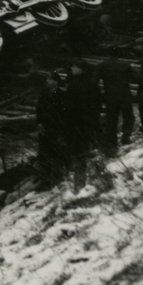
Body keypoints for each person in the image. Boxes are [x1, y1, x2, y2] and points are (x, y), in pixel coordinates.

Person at [61, 62, 102, 190]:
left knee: (78, 151)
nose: (72, 68)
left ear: (81, 70)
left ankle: (78, 184)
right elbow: (98, 102)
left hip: (76, 123)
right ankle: (86, 180)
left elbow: (68, 107)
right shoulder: (92, 83)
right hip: (89, 121)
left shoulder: (73, 85)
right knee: (86, 149)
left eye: (75, 66)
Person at [34, 69, 66, 188]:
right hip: (44, 127)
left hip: (55, 128)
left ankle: (57, 178)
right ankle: (45, 179)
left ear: (55, 82)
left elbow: (64, 114)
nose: (47, 81)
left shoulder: (61, 95)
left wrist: (62, 130)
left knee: (56, 152)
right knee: (43, 153)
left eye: (49, 79)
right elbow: (39, 109)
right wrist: (39, 123)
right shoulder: (44, 93)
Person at [99, 54, 135, 154]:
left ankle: (111, 144)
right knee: (128, 116)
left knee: (111, 119)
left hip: (110, 96)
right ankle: (126, 136)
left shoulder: (102, 65)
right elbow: (135, 77)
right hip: (125, 95)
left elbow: (95, 79)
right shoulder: (125, 64)